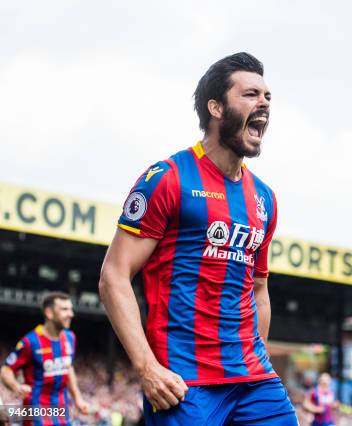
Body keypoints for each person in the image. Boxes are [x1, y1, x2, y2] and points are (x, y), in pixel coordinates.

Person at [99, 52, 297, 425]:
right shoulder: (168, 177)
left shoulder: (264, 199)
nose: (265, 103)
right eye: (251, 94)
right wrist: (146, 368)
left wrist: (261, 359)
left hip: (254, 380)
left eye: (268, 97)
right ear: (216, 107)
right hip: (185, 382)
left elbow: (258, 290)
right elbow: (114, 276)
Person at [0, 292, 89, 426]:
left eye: (70, 309)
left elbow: (68, 367)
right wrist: (16, 386)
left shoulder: (70, 338)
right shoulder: (30, 342)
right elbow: (6, 370)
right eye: (64, 309)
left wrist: (78, 398)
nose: (71, 314)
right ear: (49, 313)